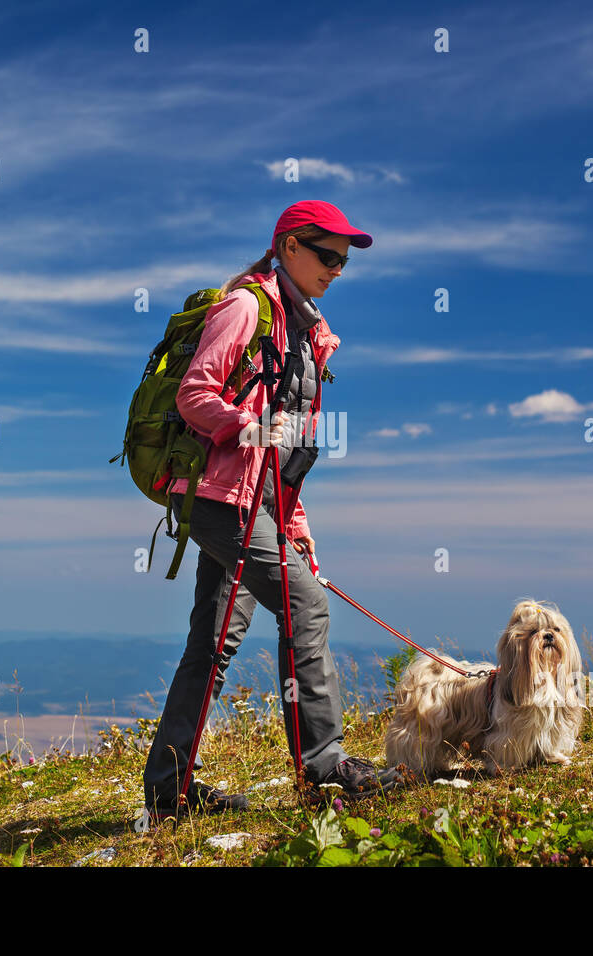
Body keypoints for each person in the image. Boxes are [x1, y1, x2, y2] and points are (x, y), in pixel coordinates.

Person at [142, 200, 404, 821]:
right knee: (305, 605)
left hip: (252, 502)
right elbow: (194, 394)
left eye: (344, 260)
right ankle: (325, 770)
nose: (337, 269)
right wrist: (250, 427)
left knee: (213, 639)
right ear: (289, 245)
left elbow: (288, 458)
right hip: (215, 497)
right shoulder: (246, 307)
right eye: (327, 254)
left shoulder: (306, 330)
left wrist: (296, 528)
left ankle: (168, 792)